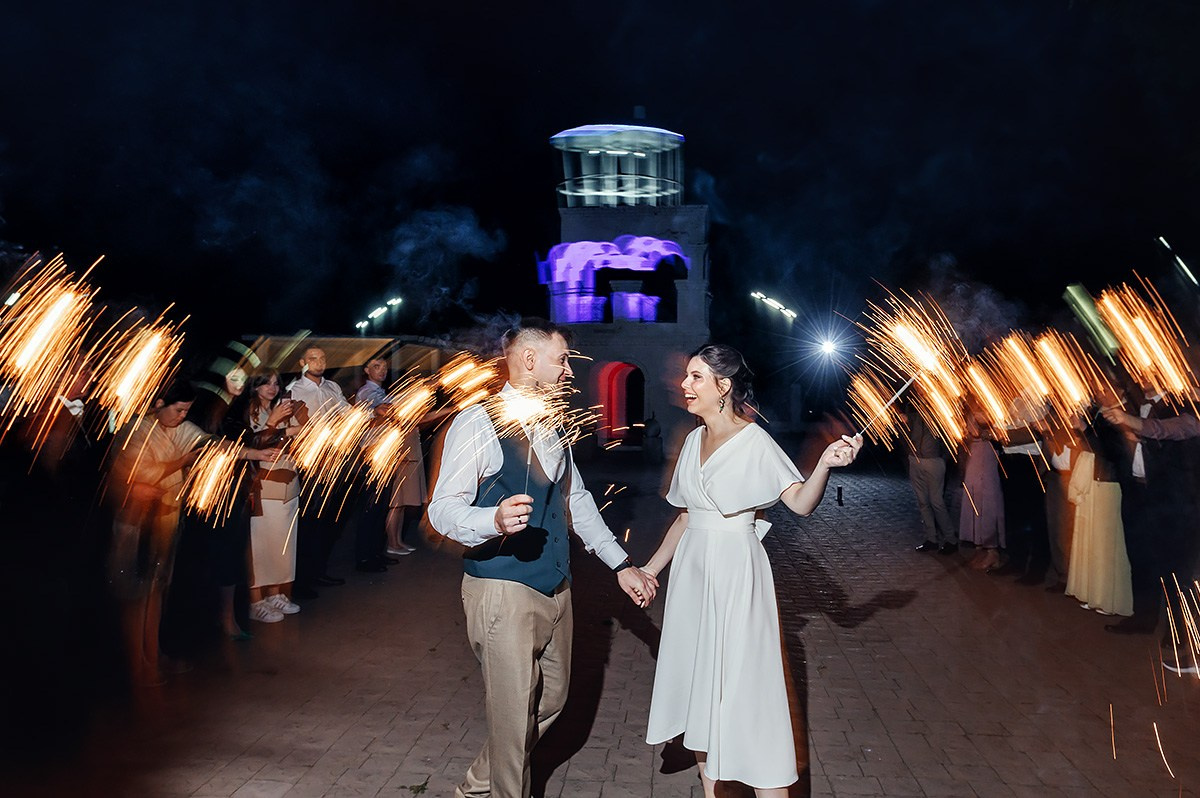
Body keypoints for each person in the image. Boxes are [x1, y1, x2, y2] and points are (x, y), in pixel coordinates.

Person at [428, 318, 658, 798]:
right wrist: (491, 520)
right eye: (561, 358)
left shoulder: (555, 424)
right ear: (529, 360)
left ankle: (475, 786)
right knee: (511, 725)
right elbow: (442, 510)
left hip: (557, 586)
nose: (569, 369)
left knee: (552, 697)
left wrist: (621, 564)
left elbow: (577, 503)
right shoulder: (477, 422)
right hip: (503, 589)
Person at [641, 344, 861, 797]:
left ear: (723, 387)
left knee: (744, 688)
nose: (685, 385)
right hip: (692, 576)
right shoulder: (692, 441)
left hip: (736, 571)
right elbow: (685, 517)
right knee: (699, 687)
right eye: (687, 376)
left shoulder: (754, 440)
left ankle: (767, 782)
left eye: (697, 377)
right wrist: (649, 570)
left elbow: (799, 502)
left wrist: (823, 463)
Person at [107, 381, 276, 686]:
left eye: (187, 411)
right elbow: (139, 475)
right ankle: (137, 666)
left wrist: (253, 453)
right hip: (136, 526)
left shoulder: (181, 429)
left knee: (157, 592)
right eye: (179, 409)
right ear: (159, 403)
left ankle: (153, 654)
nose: (182, 416)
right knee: (137, 595)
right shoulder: (136, 432)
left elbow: (212, 445)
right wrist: (182, 462)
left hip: (166, 521)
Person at [238, 368, 306, 623]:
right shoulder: (249, 412)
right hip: (265, 487)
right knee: (261, 546)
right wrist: (276, 423)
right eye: (266, 383)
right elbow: (255, 443)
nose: (272, 388)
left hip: (288, 483)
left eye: (276, 384)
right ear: (255, 386)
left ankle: (275, 594)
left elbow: (297, 436)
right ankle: (256, 602)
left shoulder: (282, 407)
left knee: (282, 545)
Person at [286, 345, 351, 593]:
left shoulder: (332, 387)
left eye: (323, 358)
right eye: (313, 358)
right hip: (310, 463)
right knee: (309, 522)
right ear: (303, 361)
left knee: (328, 521)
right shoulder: (293, 390)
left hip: (334, 459)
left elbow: (347, 415)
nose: (319, 362)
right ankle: (301, 580)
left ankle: (319, 571)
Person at [901, 403, 957, 554]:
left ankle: (951, 540)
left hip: (933, 462)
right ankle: (931, 539)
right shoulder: (917, 413)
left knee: (936, 502)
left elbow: (952, 439)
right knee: (923, 502)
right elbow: (906, 424)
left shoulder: (943, 415)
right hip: (915, 460)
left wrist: (943, 459)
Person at [959, 408, 1006, 571]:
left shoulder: (989, 404)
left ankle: (992, 549)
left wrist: (982, 424)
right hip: (975, 452)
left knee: (987, 499)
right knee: (974, 498)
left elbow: (996, 429)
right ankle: (980, 545)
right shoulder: (970, 402)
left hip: (986, 452)